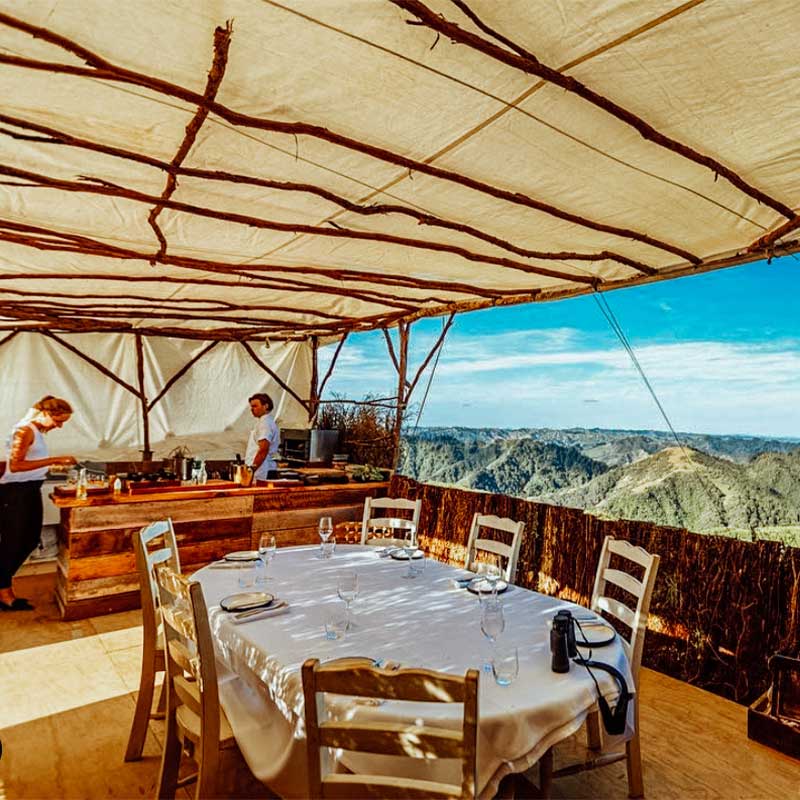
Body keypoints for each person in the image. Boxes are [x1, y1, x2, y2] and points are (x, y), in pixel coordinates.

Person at [0, 396, 77, 611]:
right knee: (13, 542)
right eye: (58, 421)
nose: (59, 426)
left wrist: (49, 468)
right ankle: (4, 592)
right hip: (15, 493)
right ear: (46, 414)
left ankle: (2, 586)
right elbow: (15, 466)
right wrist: (54, 460)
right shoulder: (24, 430)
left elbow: (29, 463)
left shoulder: (35, 432)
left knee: (30, 540)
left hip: (29, 489)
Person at [245, 392, 280, 485]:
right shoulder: (263, 422)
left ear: (265, 406)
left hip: (261, 471)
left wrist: (252, 469)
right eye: (251, 407)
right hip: (259, 469)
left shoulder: (265, 424)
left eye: (255, 406)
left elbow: (263, 450)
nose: (252, 409)